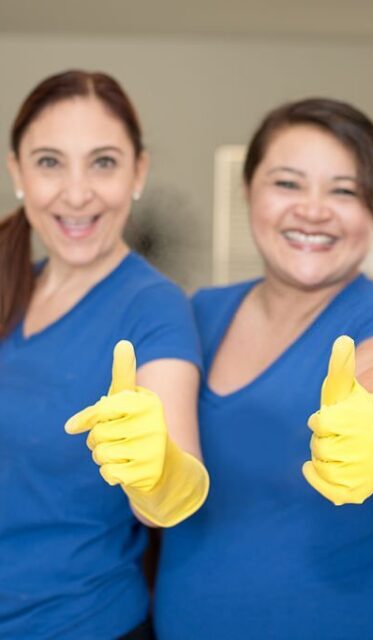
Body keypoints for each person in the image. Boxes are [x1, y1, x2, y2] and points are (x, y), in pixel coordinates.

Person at [153, 97, 373, 639]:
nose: (313, 210)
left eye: (345, 190)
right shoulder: (196, 316)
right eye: (287, 183)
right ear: (248, 190)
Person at [0, 70, 207, 639]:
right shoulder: (9, 284)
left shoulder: (153, 306)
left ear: (138, 173)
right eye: (49, 162)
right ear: (17, 170)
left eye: (103, 162)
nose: (76, 193)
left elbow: (173, 491)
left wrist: (157, 466)